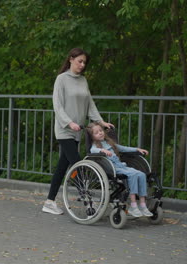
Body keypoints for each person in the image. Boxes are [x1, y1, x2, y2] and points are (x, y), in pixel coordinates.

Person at [42, 48, 114, 215]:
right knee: (78, 164)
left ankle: (49, 202)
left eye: (84, 62)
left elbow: (90, 104)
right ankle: (89, 202)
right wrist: (69, 123)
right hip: (64, 130)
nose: (82, 65)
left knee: (62, 167)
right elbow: (57, 105)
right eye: (80, 61)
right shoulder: (61, 79)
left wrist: (101, 121)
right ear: (71, 59)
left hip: (78, 131)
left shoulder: (83, 80)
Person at [86, 122, 153, 217]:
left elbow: (123, 148)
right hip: (112, 168)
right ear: (92, 136)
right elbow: (92, 151)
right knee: (133, 175)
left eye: (101, 131)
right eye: (96, 133)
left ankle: (142, 204)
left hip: (121, 166)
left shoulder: (109, 143)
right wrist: (102, 150)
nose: (100, 133)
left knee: (141, 174)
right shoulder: (95, 146)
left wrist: (137, 150)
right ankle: (133, 205)